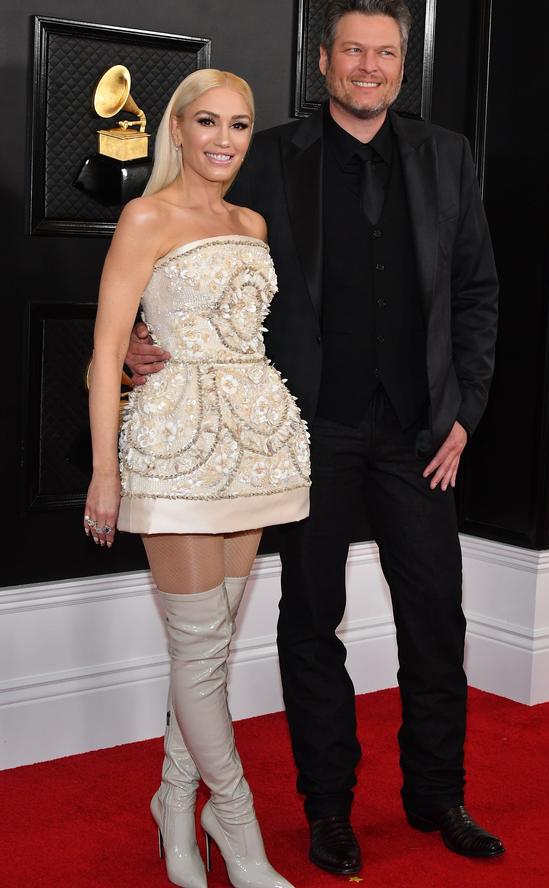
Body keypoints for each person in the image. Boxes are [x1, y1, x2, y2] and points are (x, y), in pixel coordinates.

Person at [127, 0, 502, 876]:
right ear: (324, 60)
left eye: (385, 54)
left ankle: (436, 795)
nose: (369, 67)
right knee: (309, 624)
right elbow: (187, 249)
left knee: (436, 622)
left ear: (401, 68)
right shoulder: (267, 157)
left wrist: (466, 412)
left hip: (422, 433)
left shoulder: (448, 157)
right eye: (353, 51)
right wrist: (149, 336)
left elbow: (478, 295)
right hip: (304, 431)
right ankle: (327, 811)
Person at [85, 67, 310, 888]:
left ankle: (177, 802)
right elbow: (109, 352)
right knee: (198, 646)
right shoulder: (144, 216)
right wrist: (106, 474)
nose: (223, 140)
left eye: (240, 125)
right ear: (174, 128)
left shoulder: (250, 219)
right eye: (207, 121)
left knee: (209, 653)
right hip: (175, 448)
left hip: (256, 440)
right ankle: (239, 827)